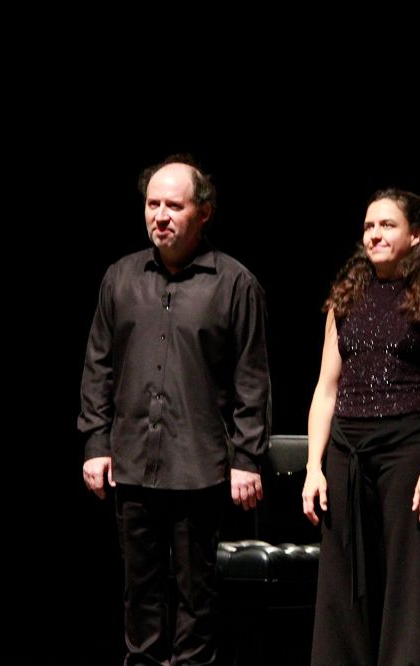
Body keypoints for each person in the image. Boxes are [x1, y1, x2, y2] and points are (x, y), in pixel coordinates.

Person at [78, 155, 270, 666]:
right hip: (132, 463)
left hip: (198, 467)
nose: (160, 216)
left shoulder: (235, 284)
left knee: (195, 598)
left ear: (203, 212)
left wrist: (246, 458)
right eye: (152, 204)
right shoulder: (120, 278)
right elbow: (98, 366)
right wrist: (95, 443)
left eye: (174, 206)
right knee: (139, 595)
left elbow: (252, 378)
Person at [302, 187, 420, 665]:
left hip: (406, 447)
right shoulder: (346, 298)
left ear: (415, 236)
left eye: (387, 225)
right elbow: (325, 389)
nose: (374, 234)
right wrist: (313, 467)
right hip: (347, 447)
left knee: (407, 576)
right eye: (369, 226)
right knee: (341, 575)